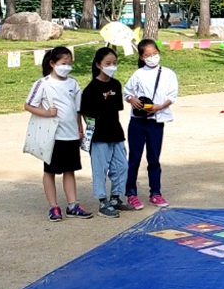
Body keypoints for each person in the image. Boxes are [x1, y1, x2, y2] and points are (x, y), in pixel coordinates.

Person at [24, 47, 93, 222]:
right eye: (64, 63)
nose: (67, 67)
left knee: (70, 170)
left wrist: (80, 129)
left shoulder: (73, 83)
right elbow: (29, 105)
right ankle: (53, 206)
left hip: (70, 135)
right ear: (53, 64)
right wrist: (46, 113)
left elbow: (77, 109)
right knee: (50, 171)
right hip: (53, 137)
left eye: (70, 64)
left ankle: (73, 205)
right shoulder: (43, 83)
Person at [124, 39, 178, 210]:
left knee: (154, 158)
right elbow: (127, 92)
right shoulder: (138, 74)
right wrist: (132, 99)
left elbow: (172, 95)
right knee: (134, 158)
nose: (152, 57)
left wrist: (159, 107)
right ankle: (131, 193)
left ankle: (156, 193)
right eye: (148, 55)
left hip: (156, 121)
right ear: (141, 57)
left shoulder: (168, 73)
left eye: (154, 54)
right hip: (138, 122)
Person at [80, 47, 134, 218]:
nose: (112, 66)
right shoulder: (91, 89)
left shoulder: (116, 84)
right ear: (98, 65)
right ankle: (102, 200)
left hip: (115, 132)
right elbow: (85, 113)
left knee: (121, 166)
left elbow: (117, 108)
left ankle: (115, 197)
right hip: (98, 135)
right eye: (108, 63)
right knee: (100, 168)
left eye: (115, 63)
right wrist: (89, 132)